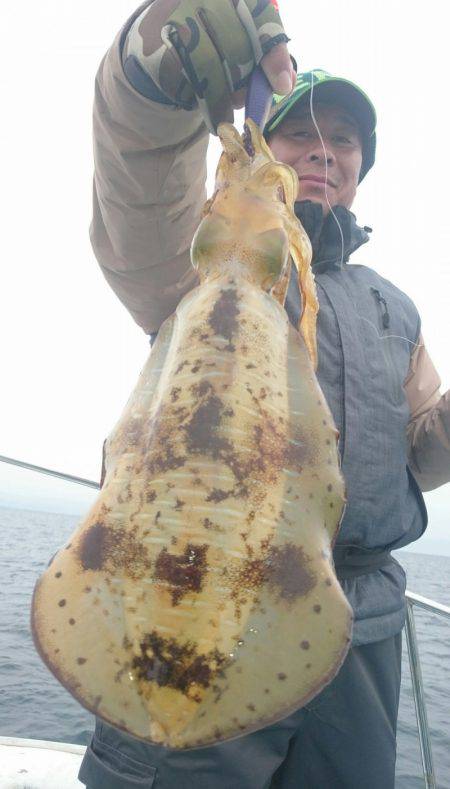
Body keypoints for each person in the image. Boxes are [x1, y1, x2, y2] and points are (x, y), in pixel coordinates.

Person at [78, 1, 450, 787]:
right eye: (300, 134)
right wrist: (151, 75)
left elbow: (419, 454)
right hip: (201, 603)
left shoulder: (394, 307)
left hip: (363, 628)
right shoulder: (201, 260)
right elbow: (139, 185)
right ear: (263, 146)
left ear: (361, 165)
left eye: (343, 139)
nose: (323, 151)